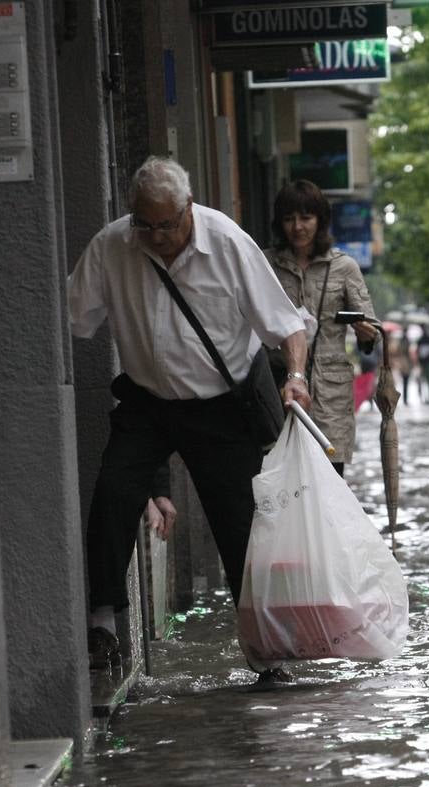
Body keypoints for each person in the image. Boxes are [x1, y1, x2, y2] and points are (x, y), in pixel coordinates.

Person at [66, 157, 310, 684]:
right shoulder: (114, 244)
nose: (155, 236)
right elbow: (72, 314)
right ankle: (101, 622)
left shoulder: (226, 242)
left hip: (220, 405)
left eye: (166, 224)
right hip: (148, 402)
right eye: (144, 224)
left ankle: (266, 653)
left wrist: (296, 375)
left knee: (240, 527)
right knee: (113, 493)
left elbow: (286, 324)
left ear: (188, 209)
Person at [263, 180, 379, 476]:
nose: (298, 227)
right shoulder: (265, 264)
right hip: (278, 388)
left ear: (320, 220)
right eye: (289, 219)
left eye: (306, 218)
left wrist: (366, 336)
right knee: (281, 479)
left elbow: (372, 329)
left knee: (330, 478)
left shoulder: (344, 267)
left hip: (331, 394)